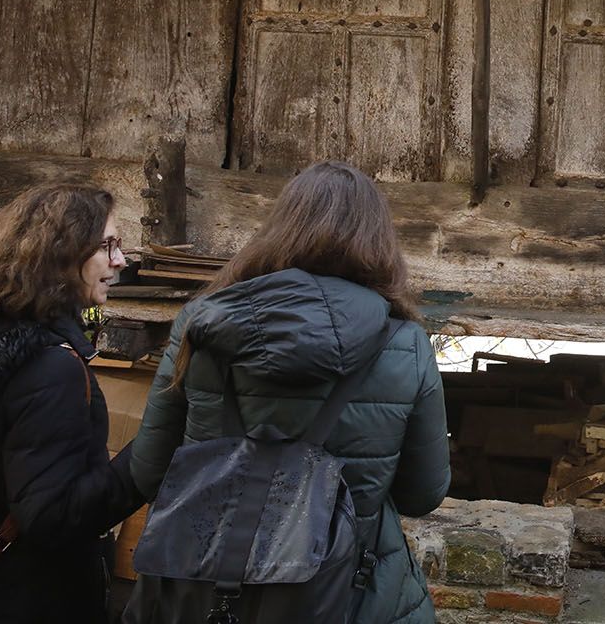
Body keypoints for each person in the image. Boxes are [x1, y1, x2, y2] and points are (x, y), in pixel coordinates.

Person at [126, 161, 451, 624]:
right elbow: (423, 494)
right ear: (379, 240)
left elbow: (149, 472)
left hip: (208, 588)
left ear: (281, 225)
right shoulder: (405, 345)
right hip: (347, 595)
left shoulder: (201, 325)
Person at [0, 183, 143, 623]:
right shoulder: (52, 368)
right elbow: (53, 519)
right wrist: (149, 456)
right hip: (26, 598)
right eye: (108, 245)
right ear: (60, 256)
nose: (120, 260)